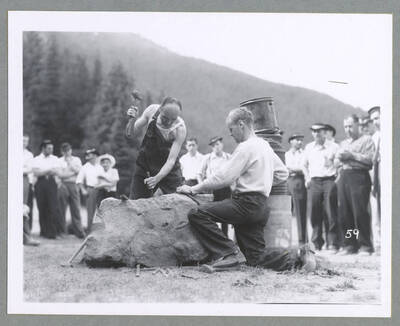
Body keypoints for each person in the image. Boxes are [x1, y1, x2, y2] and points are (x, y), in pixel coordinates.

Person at [177, 107, 314, 272]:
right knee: (254, 258)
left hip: (245, 205)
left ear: (241, 124)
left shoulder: (245, 147)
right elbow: (282, 173)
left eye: (231, 130)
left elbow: (223, 177)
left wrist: (194, 189)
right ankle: (300, 258)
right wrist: (263, 182)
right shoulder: (264, 145)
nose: (231, 135)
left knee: (197, 214)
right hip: (261, 206)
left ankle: (229, 253)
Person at [125, 97, 187, 199]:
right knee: (136, 203)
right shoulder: (151, 111)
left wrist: (157, 178)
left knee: (179, 200)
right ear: (160, 109)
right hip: (145, 166)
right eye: (165, 118)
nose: (168, 122)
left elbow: (171, 160)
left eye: (173, 119)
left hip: (169, 170)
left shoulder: (180, 129)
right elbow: (130, 134)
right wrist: (132, 120)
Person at [335, 114, 375, 255]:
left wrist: (352, 156)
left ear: (358, 125)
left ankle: (365, 245)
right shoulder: (343, 144)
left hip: (359, 177)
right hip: (344, 176)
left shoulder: (367, 140)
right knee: (345, 213)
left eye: (351, 126)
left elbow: (370, 161)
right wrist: (338, 160)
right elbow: (336, 161)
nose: (348, 129)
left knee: (360, 212)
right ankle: (350, 245)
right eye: (345, 126)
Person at [302, 123, 341, 253]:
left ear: (325, 132)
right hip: (314, 181)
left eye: (319, 131)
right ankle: (316, 243)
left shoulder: (334, 147)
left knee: (331, 211)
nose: (316, 133)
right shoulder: (308, 148)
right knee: (314, 212)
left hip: (329, 180)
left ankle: (333, 243)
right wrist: (307, 178)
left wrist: (337, 179)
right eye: (313, 131)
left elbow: (340, 164)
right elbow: (304, 165)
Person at [200, 136, 232, 236]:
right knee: (211, 212)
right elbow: (199, 173)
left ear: (222, 145)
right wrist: (202, 185)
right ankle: (214, 236)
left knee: (225, 213)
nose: (216, 147)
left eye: (217, 144)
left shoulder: (228, 157)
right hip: (212, 189)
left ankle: (225, 237)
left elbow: (234, 172)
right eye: (213, 146)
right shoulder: (208, 158)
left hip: (225, 189)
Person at [31, 140, 62, 239]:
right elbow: (36, 173)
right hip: (40, 183)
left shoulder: (55, 158)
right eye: (49, 148)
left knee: (53, 207)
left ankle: (53, 233)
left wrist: (44, 171)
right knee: (42, 206)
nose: (51, 150)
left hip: (51, 183)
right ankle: (43, 232)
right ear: (43, 148)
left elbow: (57, 171)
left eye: (52, 148)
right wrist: (49, 170)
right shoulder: (36, 159)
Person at [57, 142, 85, 238]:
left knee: (76, 208)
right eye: (65, 151)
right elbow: (60, 175)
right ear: (62, 152)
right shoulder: (59, 160)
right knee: (61, 208)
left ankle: (79, 232)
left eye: (68, 150)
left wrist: (70, 164)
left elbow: (80, 171)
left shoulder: (76, 159)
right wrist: (72, 173)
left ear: (71, 150)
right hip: (63, 185)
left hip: (74, 184)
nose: (67, 153)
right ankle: (62, 232)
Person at [285, 134, 308, 245]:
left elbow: (302, 168)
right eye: (297, 140)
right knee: (286, 212)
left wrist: (291, 168)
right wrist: (291, 169)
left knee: (300, 211)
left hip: (299, 182)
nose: (300, 142)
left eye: (301, 140)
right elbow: (285, 169)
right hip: (288, 182)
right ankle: (286, 240)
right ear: (291, 141)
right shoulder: (286, 155)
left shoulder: (304, 154)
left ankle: (302, 240)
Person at [76, 148, 102, 233]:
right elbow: (79, 181)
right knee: (90, 212)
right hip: (90, 189)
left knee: (101, 211)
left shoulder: (100, 166)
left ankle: (100, 232)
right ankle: (90, 232)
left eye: (90, 154)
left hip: (101, 190)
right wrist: (83, 190)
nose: (87, 156)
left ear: (95, 156)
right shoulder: (85, 167)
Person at [369, 106, 381, 250]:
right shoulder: (375, 137)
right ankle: (378, 243)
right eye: (373, 120)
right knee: (377, 206)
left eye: (377, 118)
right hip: (376, 172)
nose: (375, 122)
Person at [23, 134, 34, 231]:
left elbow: (29, 169)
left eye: (26, 141)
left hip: (24, 179)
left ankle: (26, 232)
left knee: (23, 205)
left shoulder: (29, 155)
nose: (23, 143)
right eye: (22, 140)